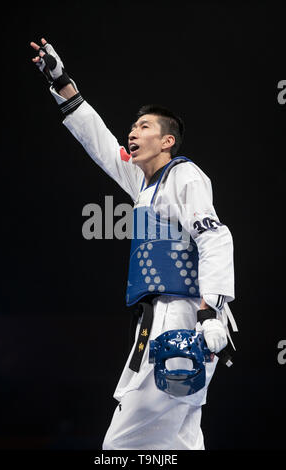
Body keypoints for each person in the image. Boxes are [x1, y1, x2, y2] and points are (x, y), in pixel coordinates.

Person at [30, 38, 237, 450]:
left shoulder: (185, 176)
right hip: (162, 317)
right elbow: (103, 145)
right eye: (133, 126)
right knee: (180, 441)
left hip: (185, 316)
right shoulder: (144, 185)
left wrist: (208, 314)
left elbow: (215, 236)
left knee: (121, 446)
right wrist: (62, 82)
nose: (132, 132)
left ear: (167, 141)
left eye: (144, 127)